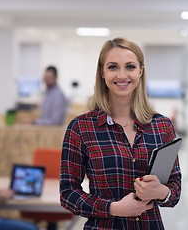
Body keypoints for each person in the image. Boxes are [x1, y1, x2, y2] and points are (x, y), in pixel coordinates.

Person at [60, 37, 181, 229]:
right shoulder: (81, 128)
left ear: (141, 71)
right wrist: (112, 208)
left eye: (130, 67)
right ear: (102, 72)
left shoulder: (162, 126)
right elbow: (68, 193)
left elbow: (174, 191)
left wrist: (160, 191)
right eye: (113, 67)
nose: (122, 75)